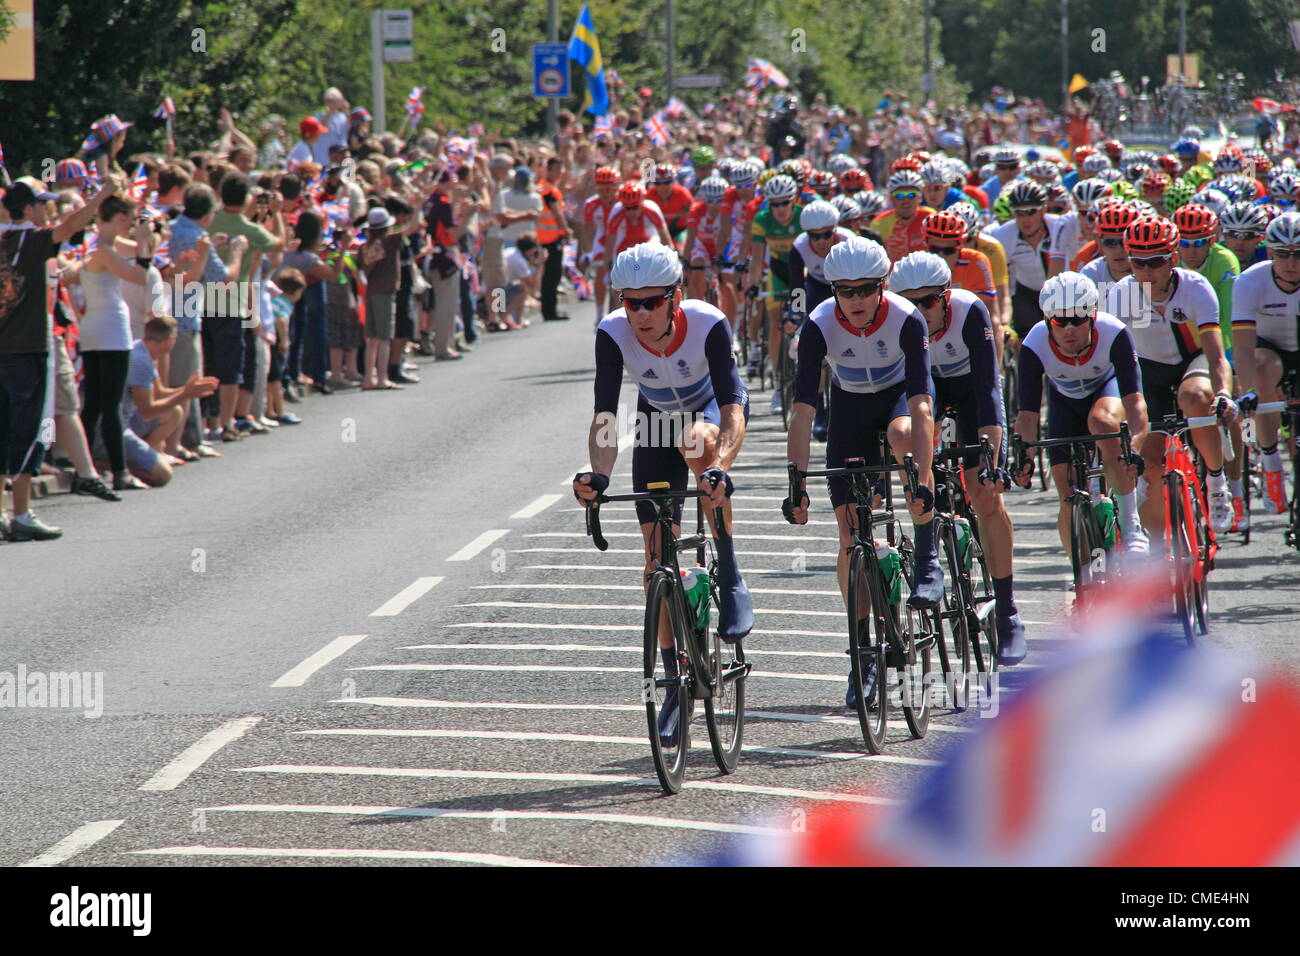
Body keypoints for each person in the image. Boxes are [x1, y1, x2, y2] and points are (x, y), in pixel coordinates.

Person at [572, 242, 752, 746]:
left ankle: (731, 570)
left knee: (695, 441)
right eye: (633, 302)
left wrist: (719, 466)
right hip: (654, 422)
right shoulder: (610, 333)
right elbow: (606, 417)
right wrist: (598, 476)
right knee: (656, 563)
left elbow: (734, 403)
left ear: (675, 297)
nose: (642, 313)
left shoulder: (709, 322)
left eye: (653, 302)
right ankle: (674, 680)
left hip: (710, 414)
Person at [781, 236, 943, 707]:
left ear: (883, 285)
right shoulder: (817, 325)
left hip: (896, 402)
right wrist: (797, 482)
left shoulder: (906, 319)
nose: (853, 300)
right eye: (843, 291)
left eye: (864, 290)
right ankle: (863, 653)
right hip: (849, 409)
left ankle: (928, 555)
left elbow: (923, 405)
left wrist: (923, 480)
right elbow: (804, 410)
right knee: (850, 535)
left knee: (903, 437)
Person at [888, 251, 1027, 663]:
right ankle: (927, 543)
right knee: (909, 451)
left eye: (928, 301)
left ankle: (1007, 612)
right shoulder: (896, 321)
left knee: (985, 495)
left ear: (946, 296)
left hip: (969, 391)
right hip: (922, 393)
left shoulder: (971, 311)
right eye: (909, 302)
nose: (919, 311)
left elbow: (988, 389)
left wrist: (993, 459)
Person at [1104, 215, 1236, 535]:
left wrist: (1223, 394)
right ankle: (1163, 547)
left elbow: (1216, 356)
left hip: (1192, 363)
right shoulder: (1121, 295)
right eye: (1138, 263)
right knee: (1149, 464)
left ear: (1173, 258)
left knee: (1193, 397)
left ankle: (1217, 482)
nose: (1147, 271)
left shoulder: (1195, 288)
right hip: (1149, 372)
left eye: (1156, 261)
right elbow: (1110, 362)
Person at [1, 179, 117, 540]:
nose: (47, 211)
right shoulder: (31, 240)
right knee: (24, 434)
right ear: (30, 209)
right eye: (42, 205)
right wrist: (102, 195)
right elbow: (70, 226)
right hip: (25, 351)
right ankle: (20, 514)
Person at [1014, 272, 1149, 555]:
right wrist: (1024, 456)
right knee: (1066, 496)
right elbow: (1027, 415)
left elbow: (1135, 402)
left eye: (1078, 318)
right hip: (1064, 402)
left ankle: (1130, 522)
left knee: (1100, 421)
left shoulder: (1114, 332)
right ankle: (1083, 580)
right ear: (1047, 320)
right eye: (1059, 321)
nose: (1069, 329)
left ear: (1093, 315)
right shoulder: (1033, 344)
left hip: (1105, 392)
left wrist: (1134, 447)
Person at [79, 193, 155, 490]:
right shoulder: (104, 251)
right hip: (111, 330)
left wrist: (146, 235)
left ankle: (85, 468)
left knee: (96, 404)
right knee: (109, 405)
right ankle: (120, 472)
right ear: (121, 218)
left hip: (97, 328)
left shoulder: (100, 246)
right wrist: (145, 246)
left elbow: (142, 248)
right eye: (130, 220)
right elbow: (140, 275)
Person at [1232, 212, 1300, 517]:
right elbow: (1243, 349)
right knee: (1261, 370)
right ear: (1269, 252)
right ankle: (1271, 459)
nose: (1291, 262)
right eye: (1282, 254)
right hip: (1269, 349)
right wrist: (1248, 392)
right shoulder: (1249, 281)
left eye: (1298, 254)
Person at [122, 315, 220, 486]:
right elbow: (147, 411)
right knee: (163, 475)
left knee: (173, 412)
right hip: (118, 426)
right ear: (169, 341)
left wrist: (187, 389)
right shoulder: (139, 360)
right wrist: (185, 394)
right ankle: (117, 463)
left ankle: (147, 454)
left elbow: (159, 393)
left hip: (128, 418)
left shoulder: (143, 351)